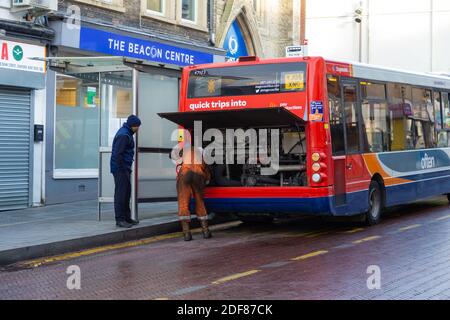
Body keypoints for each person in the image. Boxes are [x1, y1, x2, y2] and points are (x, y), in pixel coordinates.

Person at [110, 115, 141, 228]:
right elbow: (118, 154)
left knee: (126, 193)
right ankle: (120, 220)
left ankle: (126, 217)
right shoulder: (124, 135)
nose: (138, 129)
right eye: (138, 126)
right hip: (120, 169)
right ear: (134, 125)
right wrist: (123, 169)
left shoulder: (127, 133)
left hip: (124, 168)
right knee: (121, 194)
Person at [176, 144, 212, 241]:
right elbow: (206, 167)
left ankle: (186, 234)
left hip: (184, 174)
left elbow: (178, 164)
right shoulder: (201, 151)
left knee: (183, 203)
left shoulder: (182, 151)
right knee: (200, 202)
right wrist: (207, 179)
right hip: (198, 175)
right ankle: (205, 231)